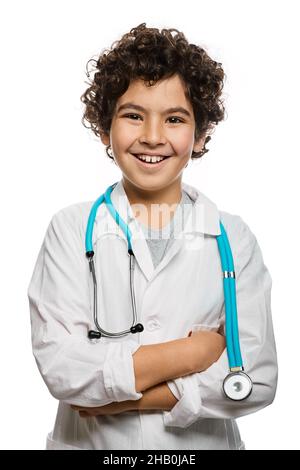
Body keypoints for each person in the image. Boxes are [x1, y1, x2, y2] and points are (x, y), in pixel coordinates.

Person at [27, 23, 278, 450]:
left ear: (199, 136)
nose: (153, 136)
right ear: (105, 127)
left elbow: (255, 379)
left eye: (175, 119)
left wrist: (115, 401)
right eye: (133, 115)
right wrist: (193, 355)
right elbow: (62, 369)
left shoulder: (231, 238)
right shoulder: (70, 230)